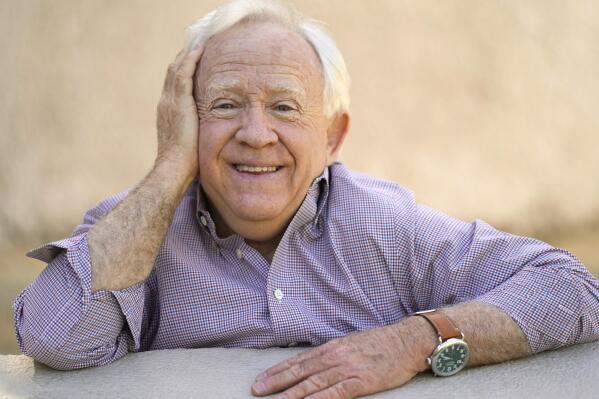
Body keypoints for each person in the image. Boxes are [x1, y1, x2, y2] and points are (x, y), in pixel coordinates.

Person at [13, 1, 599, 398]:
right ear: (185, 121)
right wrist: (170, 167)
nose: (256, 133)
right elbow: (55, 338)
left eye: (285, 107)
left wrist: (414, 341)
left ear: (333, 136)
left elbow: (574, 290)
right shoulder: (134, 228)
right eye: (223, 105)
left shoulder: (382, 225)